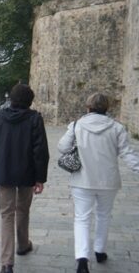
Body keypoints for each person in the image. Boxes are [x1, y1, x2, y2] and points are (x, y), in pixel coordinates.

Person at [58, 92, 139, 273]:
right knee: (104, 215)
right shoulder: (117, 128)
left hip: (82, 180)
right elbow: (127, 153)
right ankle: (100, 251)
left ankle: (82, 259)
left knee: (82, 218)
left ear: (88, 107)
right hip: (108, 181)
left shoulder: (77, 125)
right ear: (107, 108)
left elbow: (62, 147)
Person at [0, 84, 49, 273]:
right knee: (23, 210)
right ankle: (22, 245)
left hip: (3, 171)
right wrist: (40, 178)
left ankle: (6, 263)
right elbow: (41, 152)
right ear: (30, 101)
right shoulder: (35, 119)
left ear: (11, 99)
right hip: (27, 171)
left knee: (6, 215)